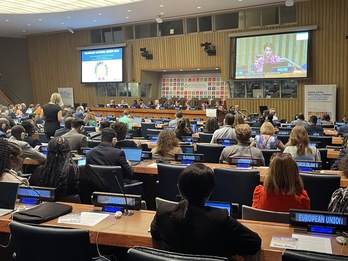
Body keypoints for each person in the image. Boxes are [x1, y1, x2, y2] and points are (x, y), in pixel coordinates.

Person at [150, 164, 261, 257]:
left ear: (179, 188)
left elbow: (155, 235)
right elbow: (254, 243)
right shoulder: (219, 218)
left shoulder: (162, 211)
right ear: (210, 193)